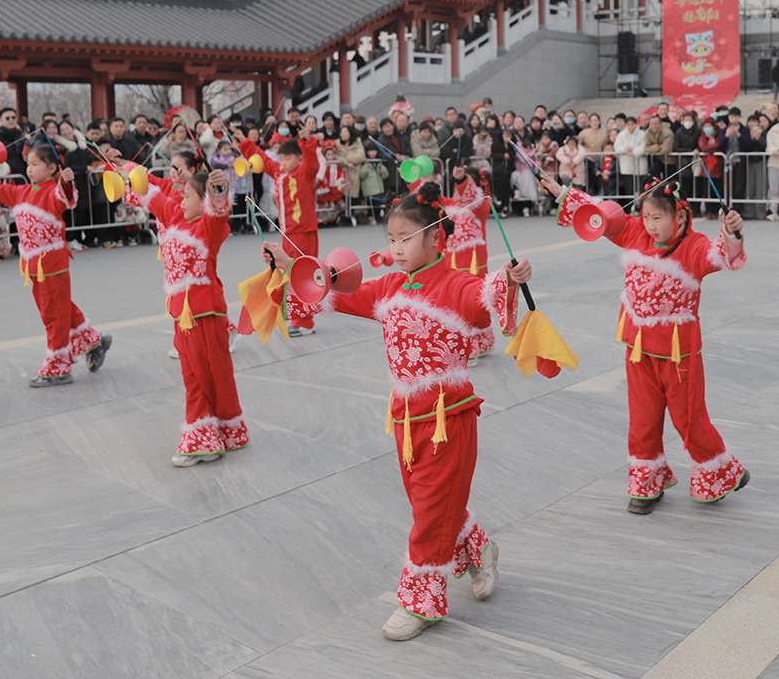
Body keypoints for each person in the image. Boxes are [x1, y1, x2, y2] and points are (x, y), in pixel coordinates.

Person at [271, 183, 527, 641]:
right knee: (430, 505)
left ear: (436, 237)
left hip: (449, 421)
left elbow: (486, 294)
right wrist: (292, 266)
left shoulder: (457, 284)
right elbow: (335, 293)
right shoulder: (388, 286)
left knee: (429, 513)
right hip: (406, 421)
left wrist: (511, 276)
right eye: (391, 239)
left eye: (406, 238)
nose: (398, 248)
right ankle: (480, 549)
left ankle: (420, 601)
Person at [545, 176, 749, 511]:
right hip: (638, 348)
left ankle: (719, 471)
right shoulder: (635, 233)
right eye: (645, 217)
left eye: (657, 217)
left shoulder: (694, 246)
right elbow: (602, 215)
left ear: (679, 216)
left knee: (688, 419)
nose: (650, 225)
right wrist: (562, 193)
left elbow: (721, 254)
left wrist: (732, 232)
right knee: (643, 419)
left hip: (678, 353)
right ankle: (646, 484)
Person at [125, 165, 248, 464]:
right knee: (195, 374)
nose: (181, 198)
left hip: (204, 311)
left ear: (204, 201)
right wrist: (123, 168)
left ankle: (203, 438)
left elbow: (219, 212)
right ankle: (219, 431)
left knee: (204, 375)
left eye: (188, 195)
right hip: (181, 314)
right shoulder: (175, 217)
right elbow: (149, 192)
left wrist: (218, 190)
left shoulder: (208, 227)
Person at [0, 143, 113, 385]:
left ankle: (58, 366)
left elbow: (65, 197)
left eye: (35, 164)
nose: (30, 169)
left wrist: (66, 182)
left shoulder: (52, 192)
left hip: (52, 263)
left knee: (54, 314)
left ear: (52, 168)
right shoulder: (21, 191)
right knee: (60, 308)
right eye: (28, 164)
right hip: (33, 264)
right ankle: (94, 343)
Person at [235, 133, 321, 335]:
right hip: (288, 233)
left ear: (299, 159)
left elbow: (312, 162)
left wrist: (307, 143)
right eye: (281, 159)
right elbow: (263, 160)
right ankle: (297, 316)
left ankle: (304, 322)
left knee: (303, 275)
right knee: (290, 274)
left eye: (287, 159)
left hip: (304, 232)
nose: (282, 163)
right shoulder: (279, 172)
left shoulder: (305, 173)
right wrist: (245, 143)